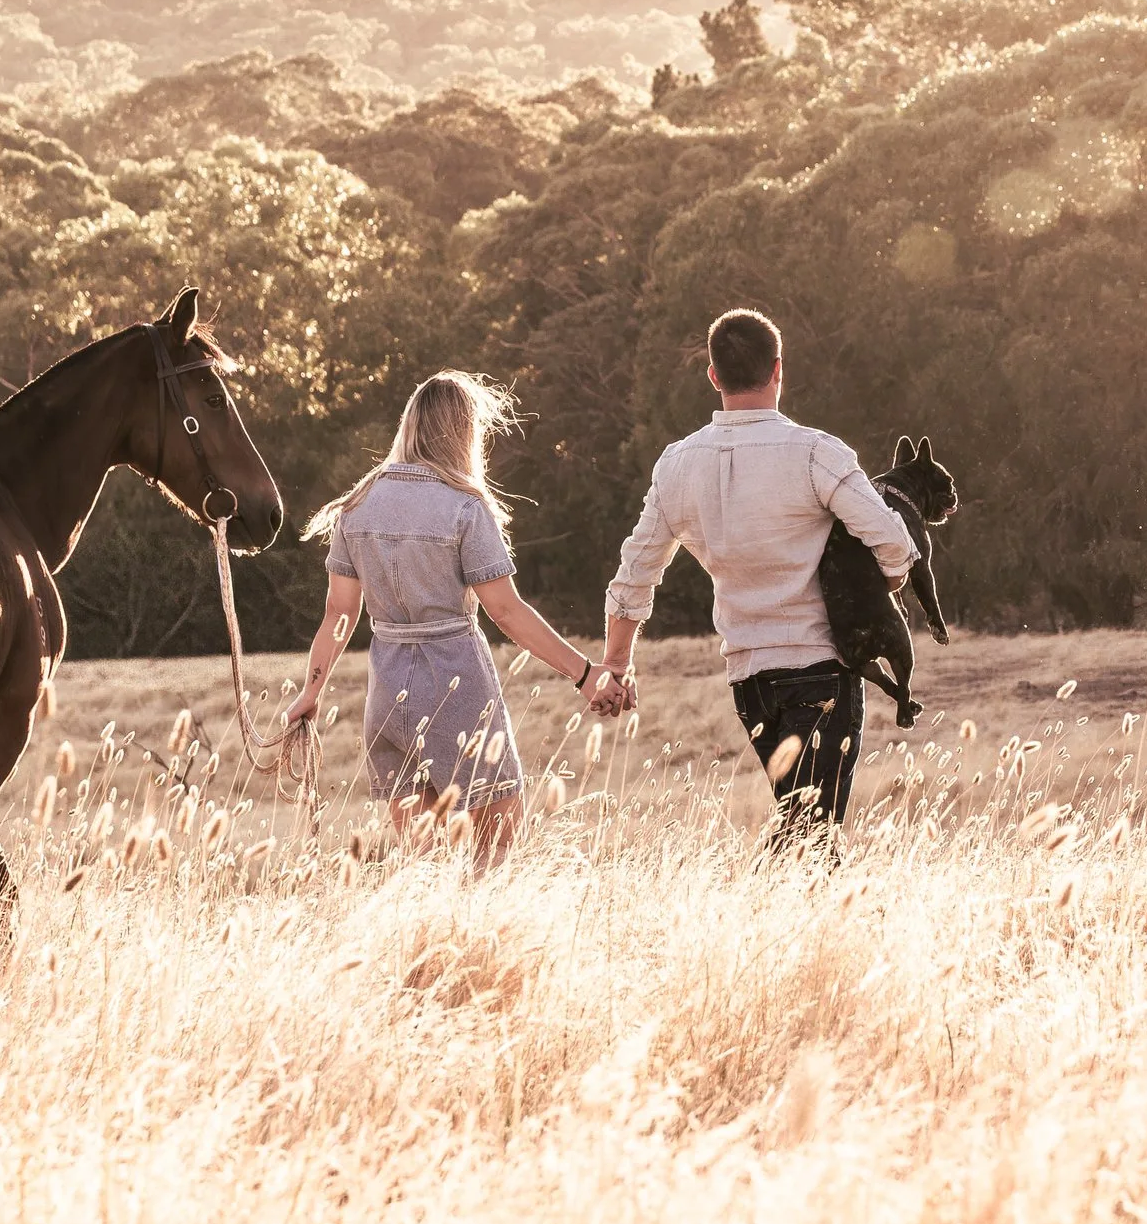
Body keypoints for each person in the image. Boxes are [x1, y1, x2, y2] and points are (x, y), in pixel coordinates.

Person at [594, 307, 914, 838]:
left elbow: (634, 576)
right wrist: (888, 582)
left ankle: (771, 915)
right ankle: (743, 911)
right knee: (812, 834)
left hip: (748, 679)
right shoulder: (816, 453)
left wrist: (616, 662)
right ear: (779, 370)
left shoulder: (677, 464)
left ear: (714, 376)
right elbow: (895, 545)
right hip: (820, 665)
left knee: (805, 824)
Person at [283, 370, 604, 862]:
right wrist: (584, 674)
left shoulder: (358, 504)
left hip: (387, 694)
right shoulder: (464, 506)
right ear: (463, 434)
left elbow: (338, 615)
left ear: (409, 425)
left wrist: (311, 692)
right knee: (497, 852)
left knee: (422, 866)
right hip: (459, 687)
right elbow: (507, 611)